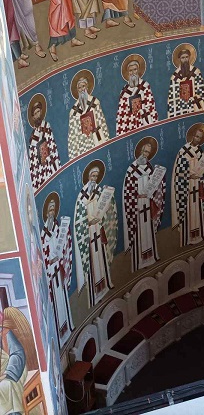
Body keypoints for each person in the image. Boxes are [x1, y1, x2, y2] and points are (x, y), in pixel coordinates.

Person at [74, 161, 117, 308]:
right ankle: (94, 294)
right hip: (89, 234)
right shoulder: (81, 196)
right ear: (88, 176)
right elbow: (78, 221)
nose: (94, 179)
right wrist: (88, 222)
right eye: (92, 176)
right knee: (93, 260)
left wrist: (107, 200)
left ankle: (106, 284)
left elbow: (107, 208)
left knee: (102, 256)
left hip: (99, 228)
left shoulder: (99, 190)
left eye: (96, 176)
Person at [123, 138, 166, 272]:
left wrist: (159, 179)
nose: (145, 154)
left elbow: (155, 184)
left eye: (148, 152)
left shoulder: (149, 167)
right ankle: (139, 261)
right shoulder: (131, 169)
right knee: (139, 231)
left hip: (147, 202)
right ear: (139, 151)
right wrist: (137, 195)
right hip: (137, 205)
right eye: (144, 151)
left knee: (148, 229)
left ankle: (151, 256)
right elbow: (128, 190)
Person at [172, 123, 204, 246]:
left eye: (200, 138)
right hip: (187, 186)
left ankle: (199, 235)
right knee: (188, 210)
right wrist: (189, 176)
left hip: (197, 184)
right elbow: (178, 172)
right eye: (196, 137)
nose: (198, 139)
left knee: (197, 209)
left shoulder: (200, 151)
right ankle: (187, 237)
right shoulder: (183, 151)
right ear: (192, 136)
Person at [41, 193, 74, 348]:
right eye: (50, 209)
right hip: (51, 273)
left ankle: (68, 327)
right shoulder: (43, 234)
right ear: (46, 213)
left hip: (58, 270)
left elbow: (64, 244)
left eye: (54, 209)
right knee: (55, 302)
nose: (52, 212)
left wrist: (65, 234)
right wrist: (50, 261)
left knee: (63, 298)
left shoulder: (57, 227)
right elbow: (41, 256)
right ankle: (60, 337)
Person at [0, 307, 37, 414]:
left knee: (5, 386)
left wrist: (8, 374)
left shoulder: (5, 332)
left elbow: (17, 354)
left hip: (14, 370)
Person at [67, 70, 111, 159]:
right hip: (83, 144)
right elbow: (73, 135)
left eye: (83, 86)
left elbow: (102, 123)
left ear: (87, 87)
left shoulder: (95, 102)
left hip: (97, 139)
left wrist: (102, 136)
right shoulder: (73, 111)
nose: (82, 89)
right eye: (79, 87)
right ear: (77, 90)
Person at [116, 55, 159, 135]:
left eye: (135, 69)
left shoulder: (144, 86)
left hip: (143, 122)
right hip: (131, 124)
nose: (133, 73)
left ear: (138, 70)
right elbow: (121, 112)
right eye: (130, 70)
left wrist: (141, 112)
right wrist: (129, 117)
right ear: (128, 72)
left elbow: (150, 105)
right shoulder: (124, 91)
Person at [27, 94, 60, 191]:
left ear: (41, 112)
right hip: (40, 168)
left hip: (49, 162)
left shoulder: (46, 126)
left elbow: (51, 144)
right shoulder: (32, 135)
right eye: (35, 113)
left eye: (38, 112)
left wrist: (51, 159)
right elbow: (32, 156)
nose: (37, 115)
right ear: (33, 117)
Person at [167, 44, 204, 117]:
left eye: (186, 57)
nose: (185, 59)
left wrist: (195, 98)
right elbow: (172, 96)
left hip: (195, 104)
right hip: (182, 106)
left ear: (189, 57)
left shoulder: (196, 72)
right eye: (183, 58)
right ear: (179, 59)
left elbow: (201, 90)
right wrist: (182, 100)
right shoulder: (175, 77)